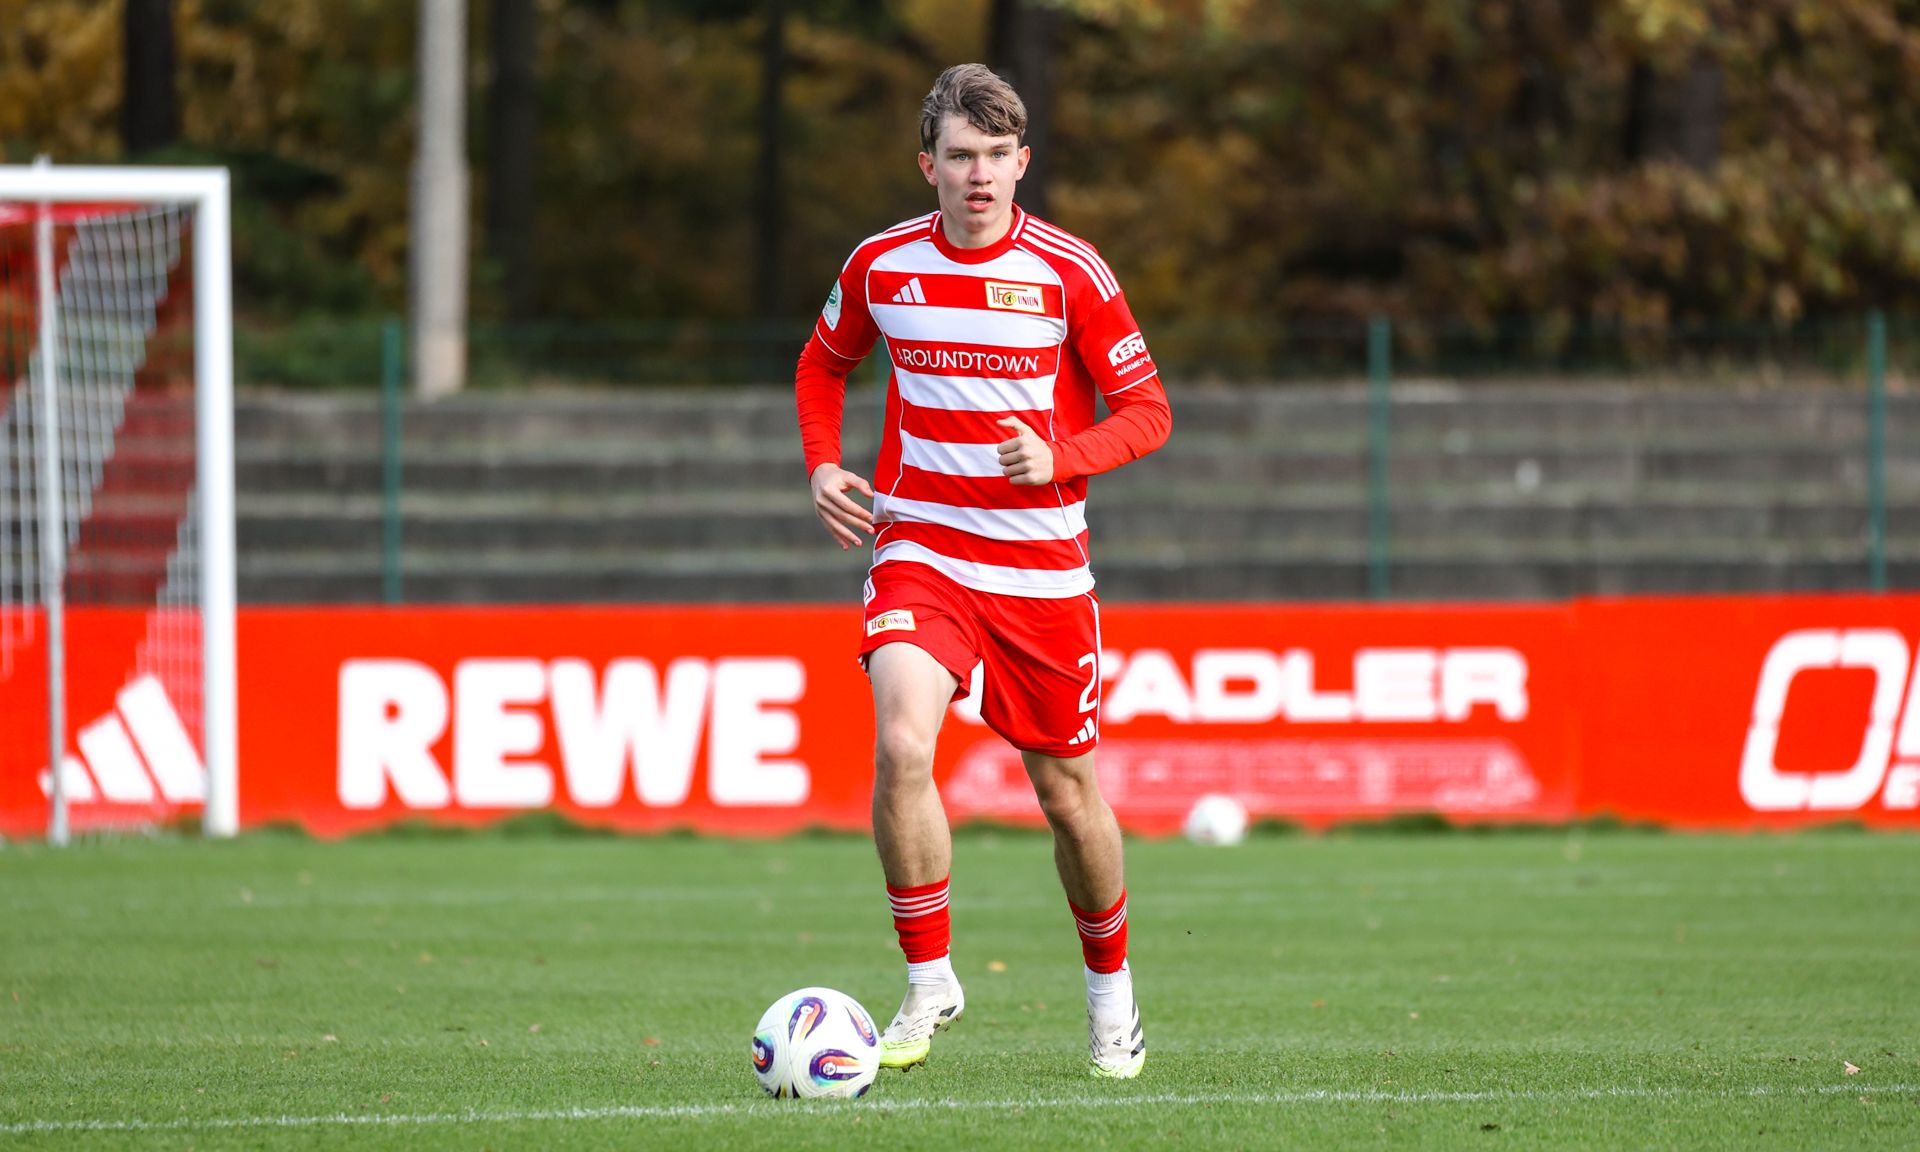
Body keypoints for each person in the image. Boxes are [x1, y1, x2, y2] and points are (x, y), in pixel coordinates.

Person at [792, 62, 1172, 1080]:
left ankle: (1111, 999)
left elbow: (1149, 413)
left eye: (996, 156)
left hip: (1044, 572)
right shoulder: (881, 265)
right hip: (921, 548)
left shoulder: (1071, 272)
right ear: (928, 164)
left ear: (1021, 162)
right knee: (903, 743)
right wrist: (824, 464)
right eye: (959, 156)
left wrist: (1063, 456)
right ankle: (928, 980)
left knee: (1067, 795)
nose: (978, 175)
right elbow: (824, 362)